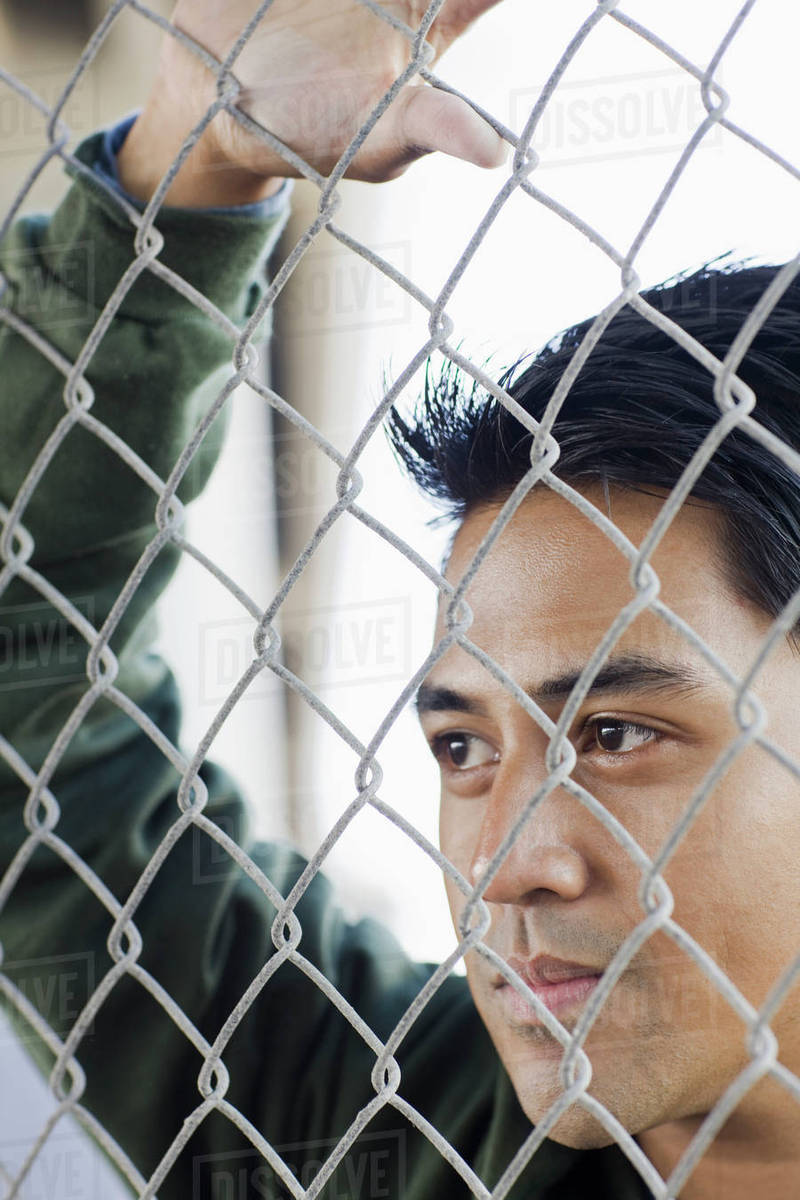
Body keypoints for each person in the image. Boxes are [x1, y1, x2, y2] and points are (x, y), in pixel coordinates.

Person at [1, 2, 798, 1197]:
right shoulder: (386, 1126)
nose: (505, 866)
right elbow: (32, 684)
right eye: (460, 745)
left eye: (615, 734)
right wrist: (193, 156)